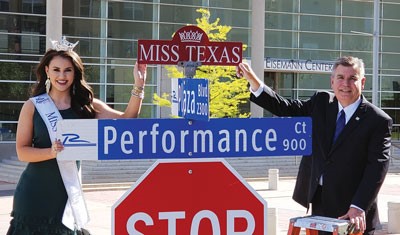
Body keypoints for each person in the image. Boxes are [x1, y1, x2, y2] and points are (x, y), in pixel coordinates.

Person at [7, 37, 147, 235]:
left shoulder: (87, 105)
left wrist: (139, 85)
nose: (61, 76)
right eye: (56, 70)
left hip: (66, 197)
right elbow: (22, 152)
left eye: (67, 70)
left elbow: (128, 119)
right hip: (34, 195)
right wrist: (52, 152)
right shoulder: (33, 106)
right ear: (47, 71)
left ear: (75, 73)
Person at [237, 56, 392, 235]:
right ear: (332, 81)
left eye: (353, 78)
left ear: (362, 82)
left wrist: (358, 207)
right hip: (320, 204)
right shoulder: (322, 103)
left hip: (353, 213)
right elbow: (284, 107)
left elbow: (377, 169)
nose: (345, 84)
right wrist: (253, 81)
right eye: (340, 77)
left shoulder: (377, 121)